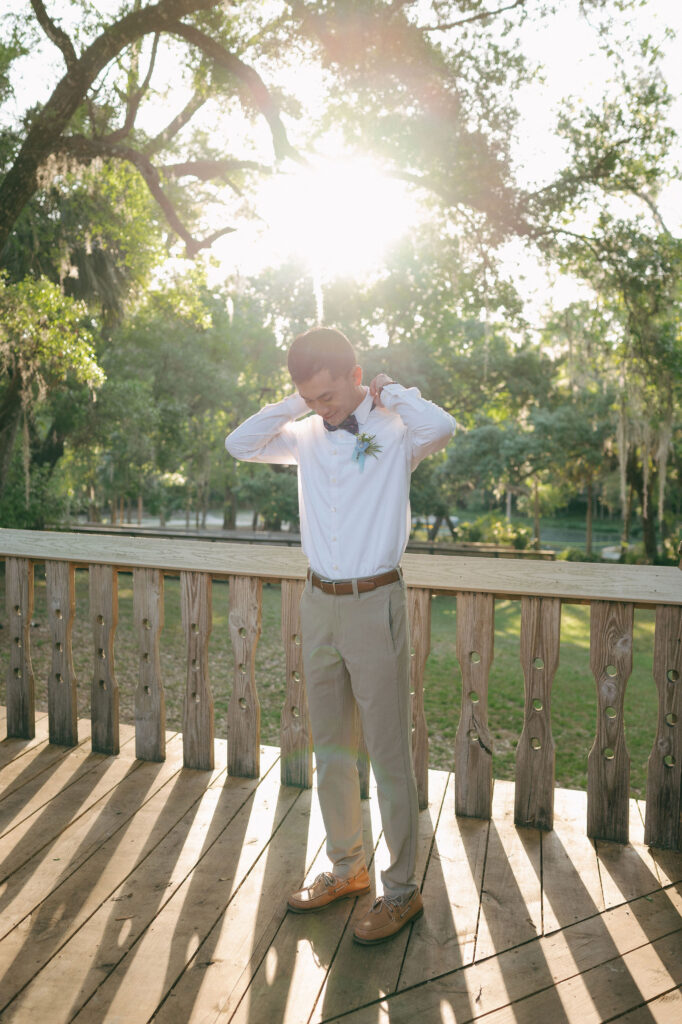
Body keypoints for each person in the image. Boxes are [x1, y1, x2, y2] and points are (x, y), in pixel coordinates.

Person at [225, 326, 455, 944]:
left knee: (386, 750)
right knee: (330, 746)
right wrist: (299, 404)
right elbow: (239, 444)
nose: (322, 408)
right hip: (317, 601)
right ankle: (347, 868)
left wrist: (390, 392)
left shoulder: (395, 428)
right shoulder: (302, 435)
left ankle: (401, 888)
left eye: (329, 395)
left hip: (374, 599)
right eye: (311, 398)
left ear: (355, 377)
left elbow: (444, 428)